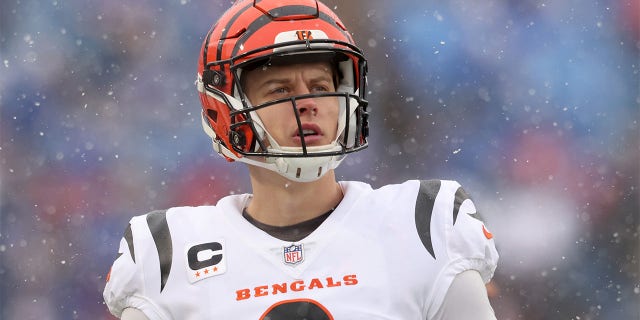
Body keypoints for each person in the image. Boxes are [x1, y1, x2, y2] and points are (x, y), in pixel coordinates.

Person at [103, 0, 499, 319]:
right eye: (279, 89)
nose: (308, 103)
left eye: (320, 86)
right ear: (222, 110)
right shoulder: (166, 255)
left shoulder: (424, 224)